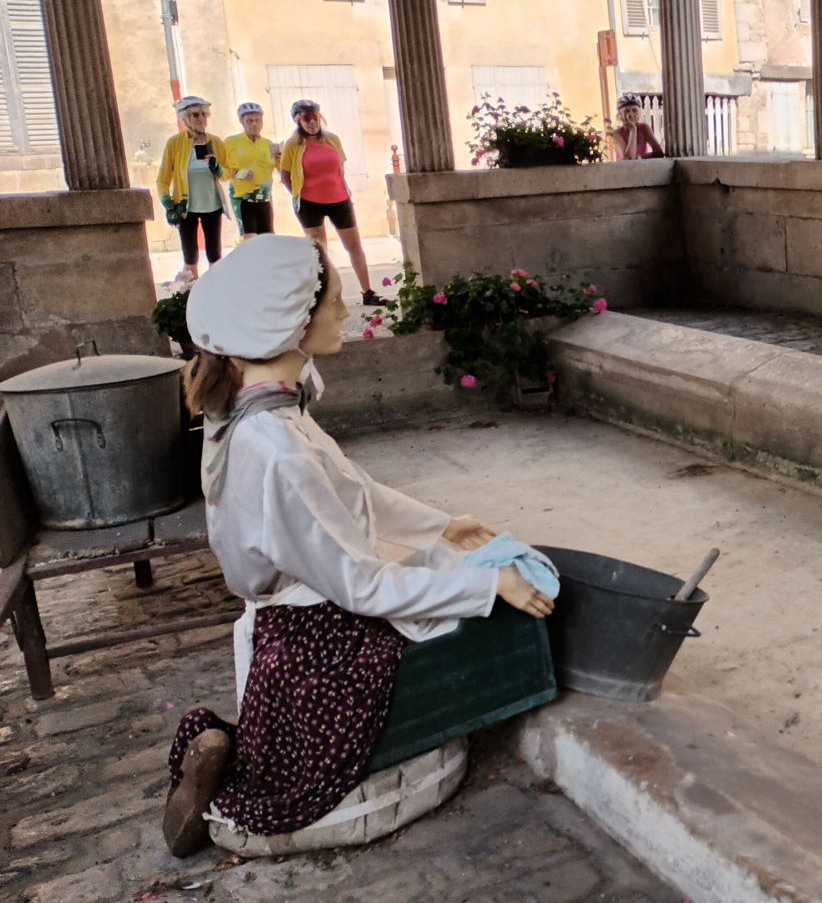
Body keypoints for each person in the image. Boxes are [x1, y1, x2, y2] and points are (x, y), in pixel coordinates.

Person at [161, 235, 555, 857]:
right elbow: (362, 586)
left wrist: (440, 525)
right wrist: (487, 586)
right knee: (450, 624)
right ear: (287, 320)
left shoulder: (258, 411)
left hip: (295, 627)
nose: (345, 311)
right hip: (319, 643)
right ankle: (228, 798)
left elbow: (353, 492)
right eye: (334, 301)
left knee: (439, 573)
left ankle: (239, 754)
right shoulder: (279, 451)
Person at [277, 99, 380, 306]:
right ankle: (325, 296)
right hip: (309, 202)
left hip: (338, 199)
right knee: (319, 250)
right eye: (306, 118)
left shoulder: (332, 140)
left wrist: (346, 192)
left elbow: (339, 167)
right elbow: (286, 176)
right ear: (298, 120)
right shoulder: (293, 145)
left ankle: (367, 291)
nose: (312, 122)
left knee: (354, 245)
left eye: (315, 117)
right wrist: (298, 195)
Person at [156, 95, 233, 288]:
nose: (201, 119)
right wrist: (167, 203)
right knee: (190, 256)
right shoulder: (175, 143)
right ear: (185, 119)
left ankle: (217, 290)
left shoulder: (215, 142)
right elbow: (163, 178)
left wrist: (218, 169)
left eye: (203, 115)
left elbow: (228, 172)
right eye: (195, 115)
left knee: (214, 254)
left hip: (212, 205)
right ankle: (190, 295)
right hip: (186, 207)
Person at [223, 101, 279, 238]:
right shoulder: (230, 142)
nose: (254, 124)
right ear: (242, 121)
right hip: (242, 198)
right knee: (250, 239)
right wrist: (236, 174)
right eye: (249, 120)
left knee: (268, 238)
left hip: (264, 198)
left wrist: (281, 159)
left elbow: (282, 171)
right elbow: (220, 172)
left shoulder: (269, 144)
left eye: (257, 120)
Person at [610, 94, 664, 160]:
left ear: (639, 114)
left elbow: (659, 153)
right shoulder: (616, 134)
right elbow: (629, 158)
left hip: (641, 167)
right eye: (626, 111)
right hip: (623, 169)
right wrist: (633, 130)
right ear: (620, 115)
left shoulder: (644, 128)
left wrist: (639, 158)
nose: (631, 114)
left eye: (634, 110)